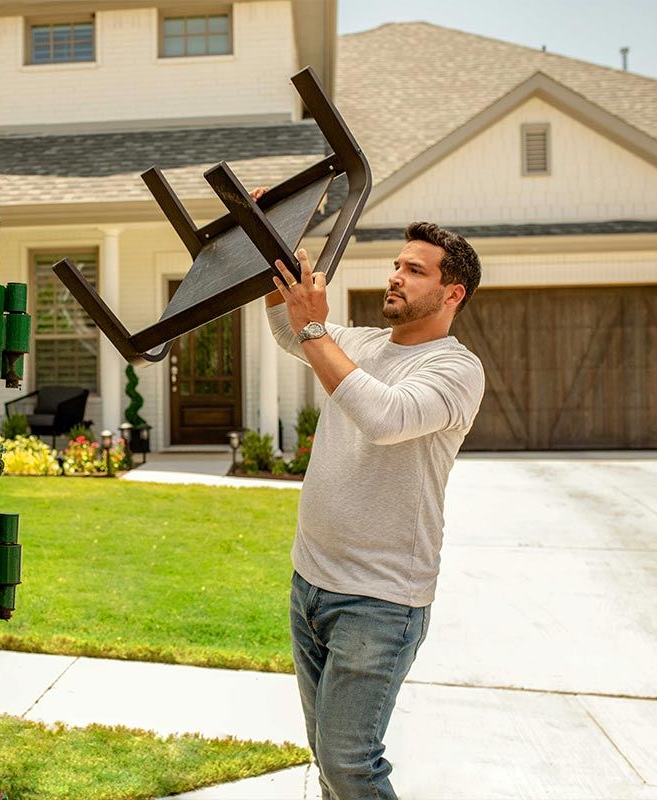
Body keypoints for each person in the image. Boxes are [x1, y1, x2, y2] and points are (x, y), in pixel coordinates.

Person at [264, 215, 485, 800]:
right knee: (328, 756)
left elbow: (384, 417)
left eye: (415, 270)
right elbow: (292, 333)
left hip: (381, 600)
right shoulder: (360, 342)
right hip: (309, 583)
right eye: (396, 265)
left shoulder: (455, 370)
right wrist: (271, 247)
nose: (396, 276)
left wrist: (314, 329)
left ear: (451, 292)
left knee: (349, 763)